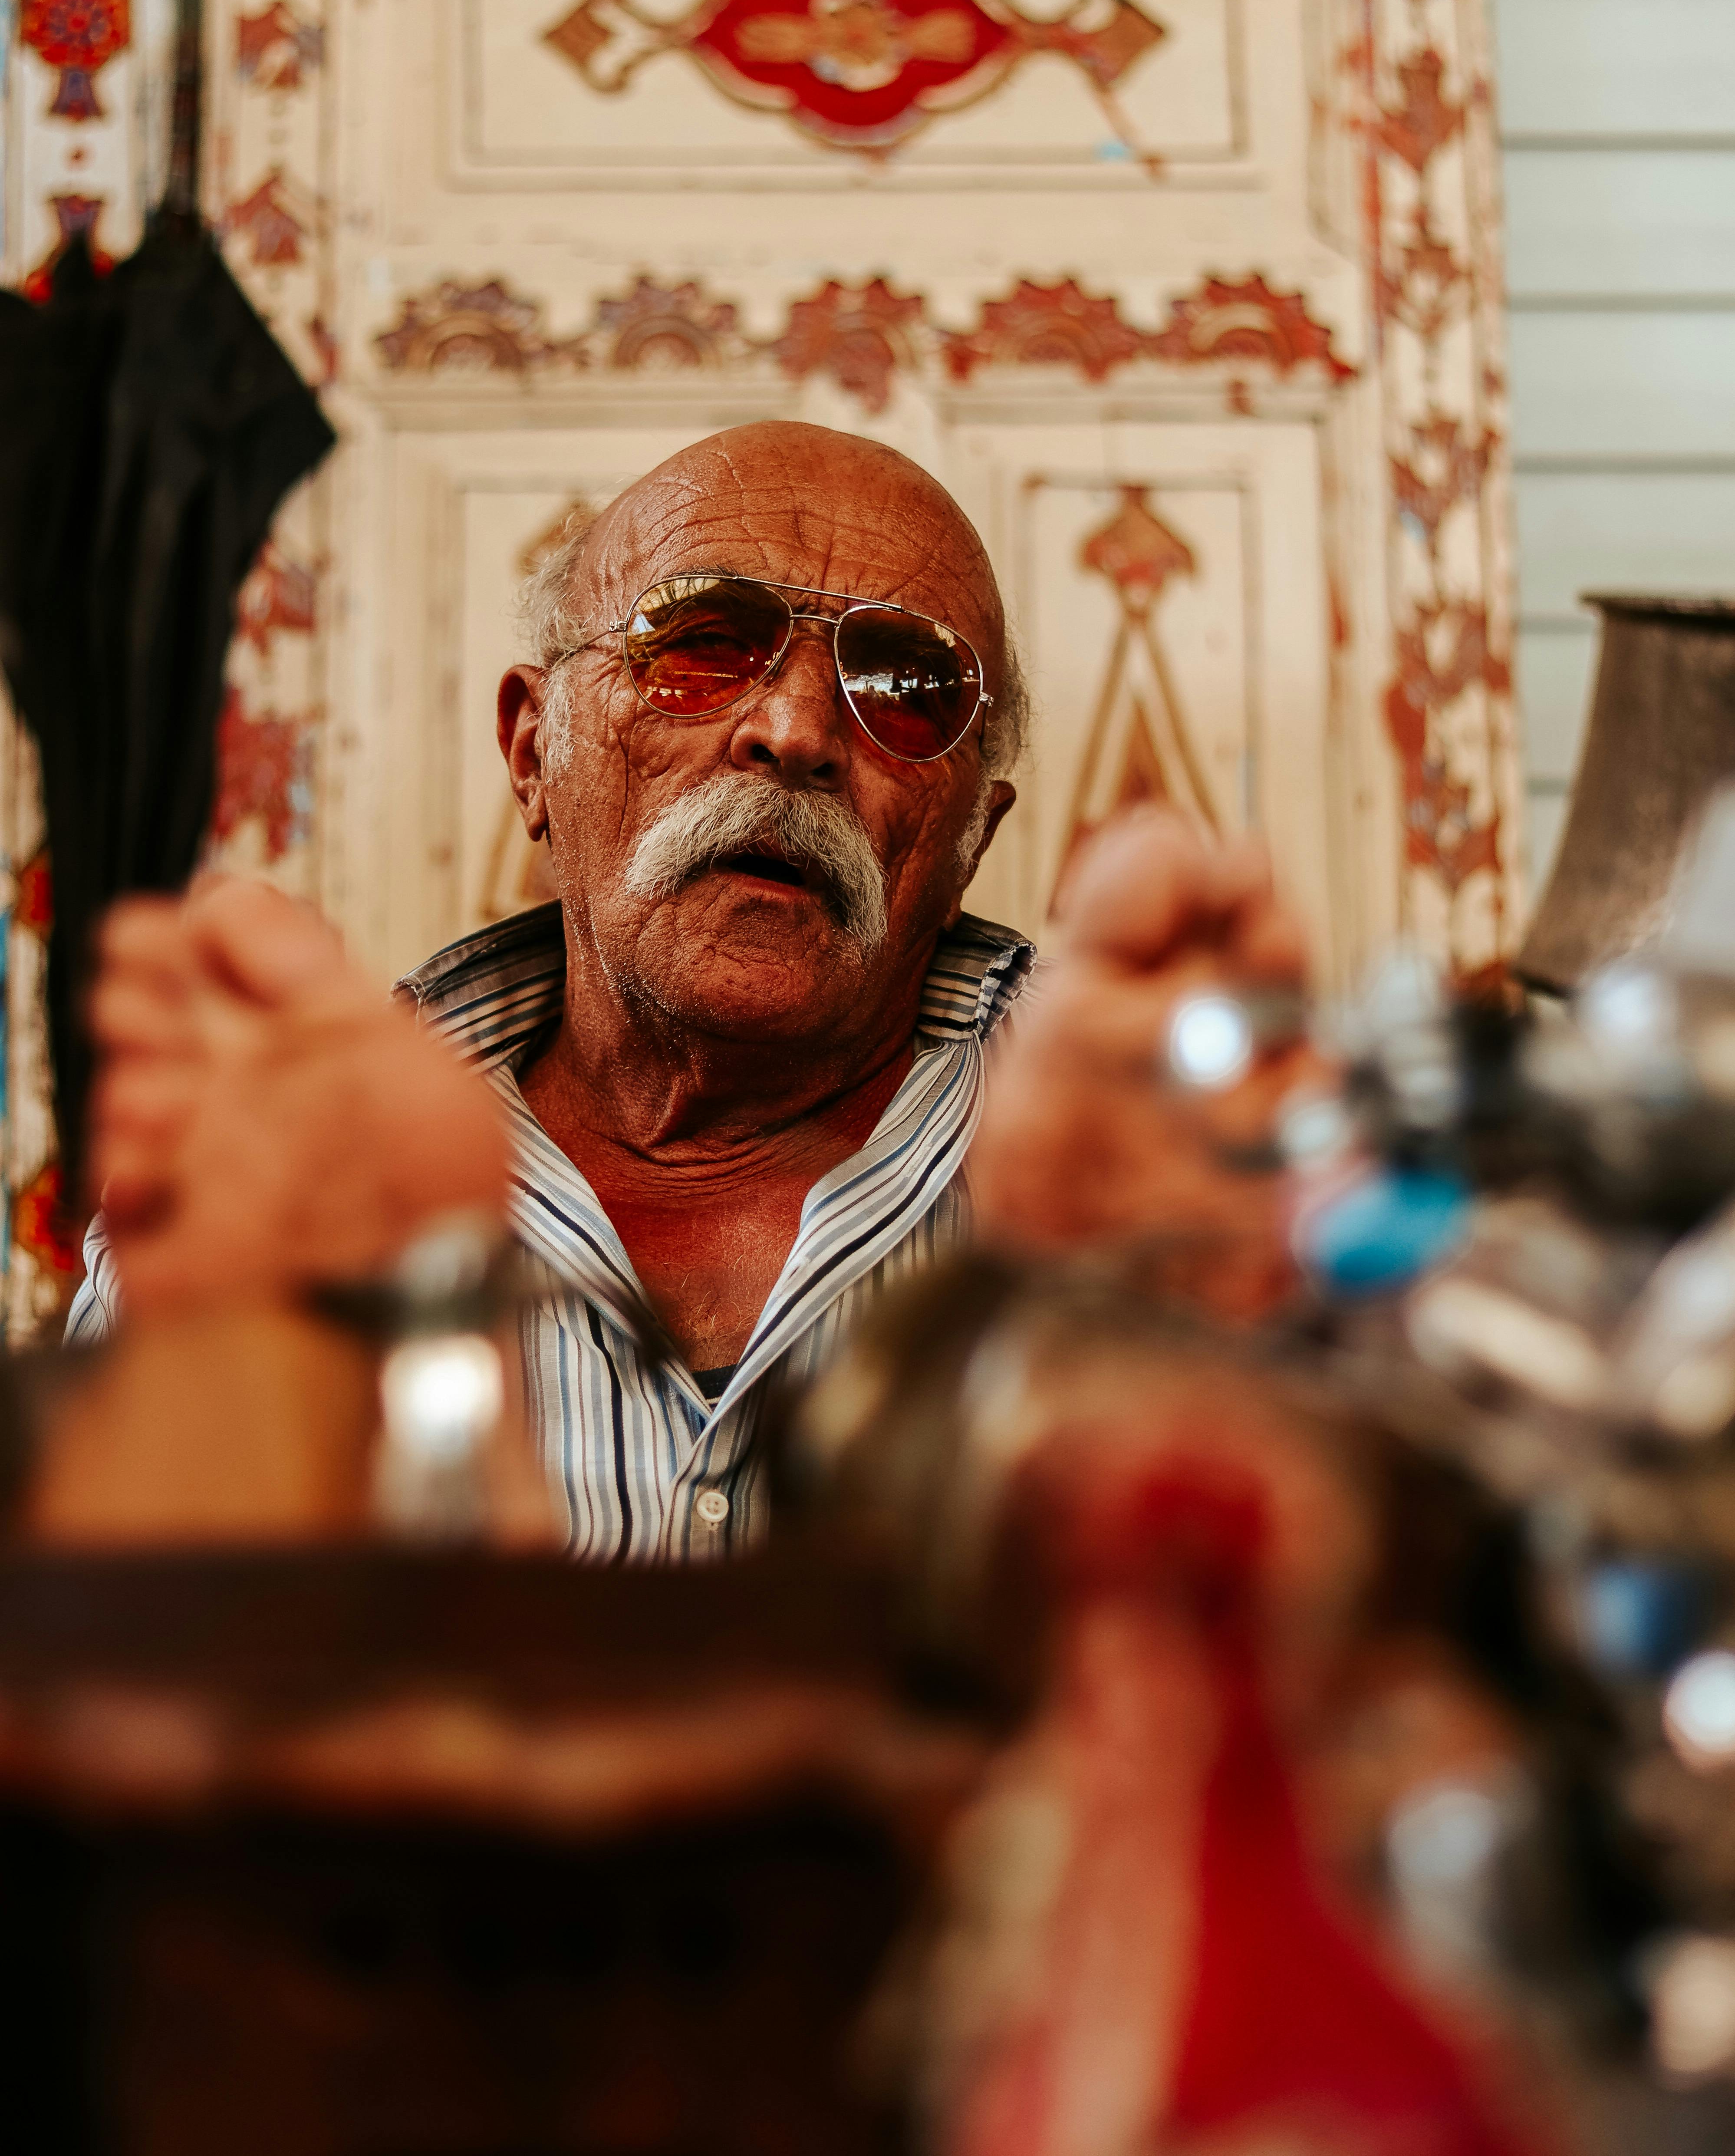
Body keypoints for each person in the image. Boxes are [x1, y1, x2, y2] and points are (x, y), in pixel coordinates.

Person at [69, 421, 1307, 1556]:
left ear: (972, 838)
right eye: (703, 645)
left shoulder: (1155, 1138)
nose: (799, 730)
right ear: (533, 749)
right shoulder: (290, 1158)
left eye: (905, 691)